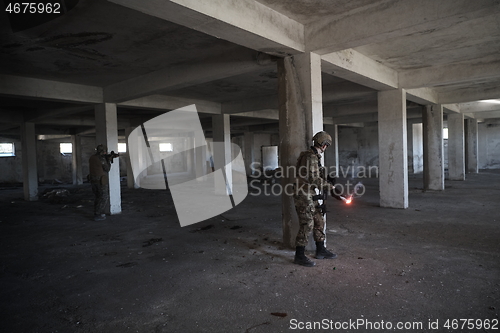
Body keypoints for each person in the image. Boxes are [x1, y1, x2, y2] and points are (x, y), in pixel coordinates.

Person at [293, 131, 342, 267]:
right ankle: (299, 255)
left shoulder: (314, 156)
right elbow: (313, 179)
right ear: (325, 145)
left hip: (310, 192)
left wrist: (328, 180)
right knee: (307, 223)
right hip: (303, 194)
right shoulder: (310, 157)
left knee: (319, 219)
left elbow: (316, 175)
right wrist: (331, 188)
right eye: (327, 145)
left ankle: (321, 250)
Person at [88, 144, 116, 221]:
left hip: (93, 180)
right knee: (104, 197)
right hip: (100, 180)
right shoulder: (101, 159)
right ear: (103, 151)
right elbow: (107, 169)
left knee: (97, 197)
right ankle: (98, 214)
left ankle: (97, 212)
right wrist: (108, 161)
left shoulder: (92, 157)